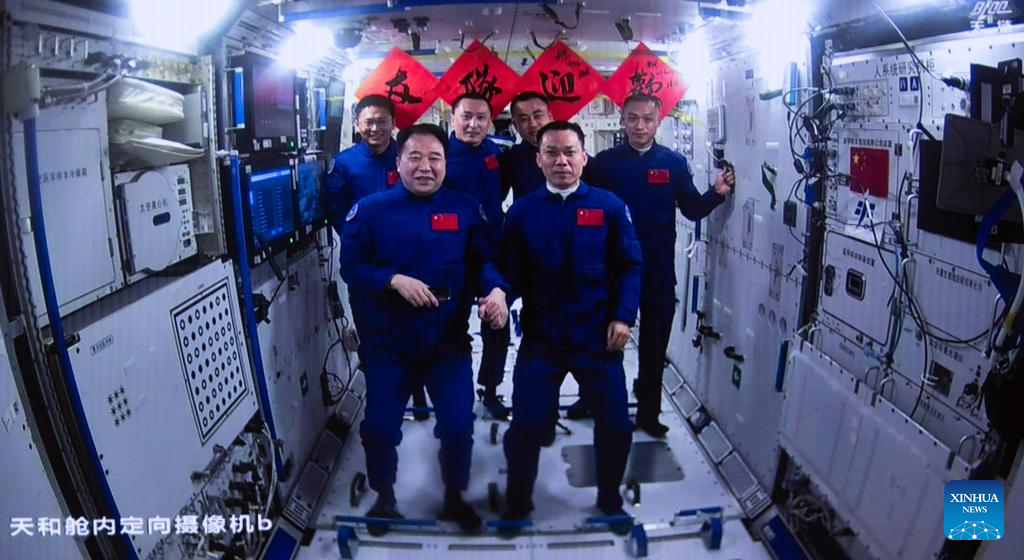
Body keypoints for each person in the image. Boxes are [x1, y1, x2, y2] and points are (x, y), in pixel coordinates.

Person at [340, 123, 509, 535]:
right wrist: (392, 279)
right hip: (389, 343)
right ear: (398, 163)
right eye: (414, 157)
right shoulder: (370, 212)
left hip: (446, 341)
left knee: (458, 427)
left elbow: (483, 262)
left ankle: (454, 497)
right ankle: (385, 497)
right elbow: (351, 267)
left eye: (435, 158)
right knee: (380, 428)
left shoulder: (465, 209)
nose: (425, 167)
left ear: (446, 164)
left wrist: (496, 291)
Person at [499, 121, 643, 532]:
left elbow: (630, 266)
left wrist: (623, 316)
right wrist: (498, 296)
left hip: (597, 337)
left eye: (569, 152)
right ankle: (517, 503)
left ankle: (610, 499)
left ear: (584, 157)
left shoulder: (609, 207)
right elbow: (509, 272)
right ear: (538, 160)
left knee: (615, 425)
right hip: (542, 338)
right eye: (551, 152)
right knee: (525, 426)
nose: (561, 161)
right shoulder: (523, 212)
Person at [589, 93, 735, 437]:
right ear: (622, 121)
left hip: (657, 270)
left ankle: (648, 414)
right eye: (633, 118)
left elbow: (692, 209)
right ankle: (605, 408)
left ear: (658, 122)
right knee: (607, 344)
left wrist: (716, 193)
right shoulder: (604, 164)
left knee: (654, 348)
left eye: (647, 119)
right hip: (613, 270)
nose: (640, 126)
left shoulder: (672, 163)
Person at [442, 92, 511, 420]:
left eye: (481, 117)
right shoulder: (440, 155)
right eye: (466, 116)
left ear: (490, 121)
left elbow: (500, 195)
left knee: (497, 322)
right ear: (452, 117)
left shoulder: (495, 153)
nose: (473, 124)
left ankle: (492, 389)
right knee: (453, 327)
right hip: (453, 255)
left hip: (492, 252)